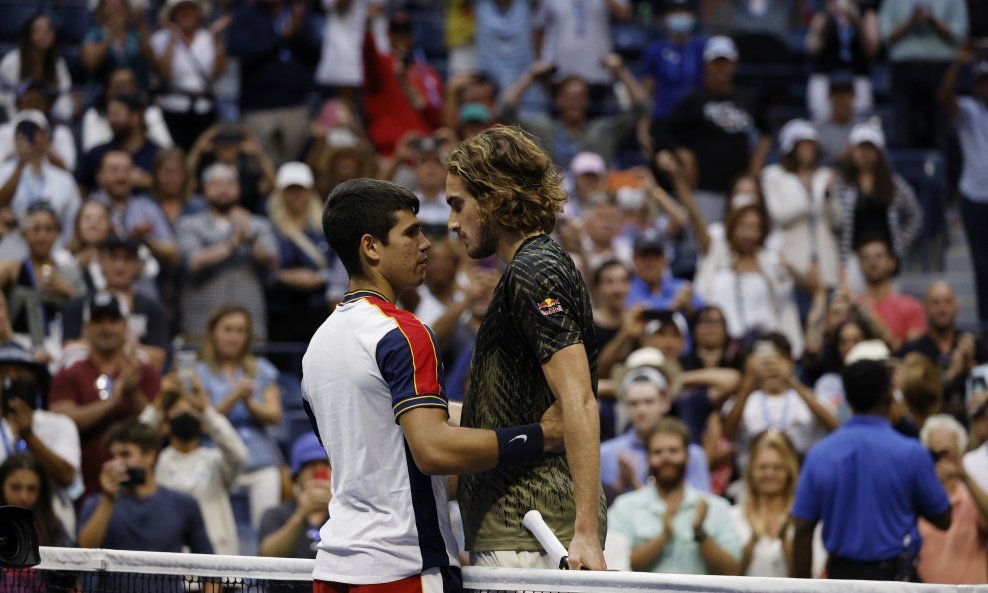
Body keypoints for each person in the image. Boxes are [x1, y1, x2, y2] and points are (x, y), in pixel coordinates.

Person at [305, 177, 566, 589]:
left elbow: (386, 434)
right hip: (404, 567)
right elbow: (431, 451)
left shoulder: (317, 346)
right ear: (371, 247)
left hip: (334, 569)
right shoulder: (404, 332)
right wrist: (543, 436)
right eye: (411, 233)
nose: (426, 244)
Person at [446, 126, 606, 570]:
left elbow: (578, 401)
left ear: (494, 197)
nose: (452, 223)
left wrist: (587, 534)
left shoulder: (533, 267)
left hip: (535, 532)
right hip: (523, 530)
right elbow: (521, 411)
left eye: (458, 205)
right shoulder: (531, 266)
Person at [791, 358, 952, 580]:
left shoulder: (820, 454)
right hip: (895, 580)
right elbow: (943, 519)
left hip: (842, 578)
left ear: (847, 398)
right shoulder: (911, 452)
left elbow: (802, 530)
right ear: (889, 395)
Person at [48, 292, 160, 497]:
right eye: (98, 321)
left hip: (139, 489)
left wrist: (133, 392)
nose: (106, 328)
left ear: (125, 325)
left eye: (113, 320)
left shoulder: (143, 370)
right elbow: (60, 420)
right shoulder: (70, 372)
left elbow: (158, 426)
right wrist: (112, 401)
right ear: (86, 327)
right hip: (84, 488)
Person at [651, 36, 770, 225]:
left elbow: (767, 132)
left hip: (739, 188)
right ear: (706, 65)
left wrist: (756, 165)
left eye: (725, 63)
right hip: (705, 188)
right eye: (716, 63)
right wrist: (682, 151)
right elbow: (660, 130)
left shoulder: (747, 98)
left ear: (734, 65)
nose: (721, 69)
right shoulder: (695, 99)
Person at [608, 418, 741, 575]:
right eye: (657, 452)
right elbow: (616, 567)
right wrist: (664, 536)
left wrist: (700, 533)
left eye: (673, 451)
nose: (666, 458)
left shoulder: (716, 507)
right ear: (648, 459)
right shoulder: (625, 507)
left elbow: (733, 571)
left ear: (688, 457)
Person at [138, 369, 247, 556]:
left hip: (215, 565)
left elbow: (238, 453)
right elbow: (135, 442)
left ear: (203, 422)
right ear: (166, 423)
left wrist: (206, 409)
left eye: (192, 411)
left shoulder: (215, 461)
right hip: (169, 563)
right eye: (178, 411)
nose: (186, 414)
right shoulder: (155, 462)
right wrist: (158, 404)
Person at [197, 305, 282, 531]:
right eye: (228, 330)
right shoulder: (199, 372)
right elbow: (203, 424)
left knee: (266, 528)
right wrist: (234, 396)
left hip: (260, 461)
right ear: (213, 332)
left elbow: (275, 415)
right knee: (214, 532)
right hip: (217, 459)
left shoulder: (262, 369)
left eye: (240, 331)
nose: (234, 337)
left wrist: (249, 403)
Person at [77, 419, 213, 554]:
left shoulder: (183, 504)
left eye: (125, 454)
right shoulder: (95, 504)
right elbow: (85, 551)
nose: (116, 463)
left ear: (150, 456)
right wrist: (108, 499)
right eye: (113, 456)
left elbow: (206, 563)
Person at [177, 163, 279, 341]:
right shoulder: (189, 224)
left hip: (250, 323)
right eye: (216, 184)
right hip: (202, 322)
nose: (223, 190)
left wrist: (249, 239)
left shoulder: (258, 224)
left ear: (238, 189)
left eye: (229, 184)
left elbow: (272, 262)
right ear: (205, 190)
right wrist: (234, 242)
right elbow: (193, 262)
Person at [499, 54, 648, 169]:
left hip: (594, 201)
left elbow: (643, 106)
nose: (574, 102)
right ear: (557, 100)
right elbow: (505, 111)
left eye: (580, 96)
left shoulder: (602, 131)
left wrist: (620, 71)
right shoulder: (542, 129)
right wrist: (532, 74)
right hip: (550, 201)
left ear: (587, 101)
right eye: (568, 97)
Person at [0, 338, 81, 538]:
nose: (10, 380)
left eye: (20, 374)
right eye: (3, 374)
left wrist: (29, 435)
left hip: (51, 532)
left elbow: (66, 478)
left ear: (35, 380)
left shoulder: (60, 423)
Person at [724, 333, 837, 471]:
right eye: (765, 361)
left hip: (802, 473)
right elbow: (728, 433)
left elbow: (834, 425)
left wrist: (791, 381)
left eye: (778, 358)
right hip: (754, 478)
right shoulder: (745, 400)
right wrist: (749, 382)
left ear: (791, 362)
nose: (771, 366)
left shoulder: (808, 397)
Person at [227, 0, 320, 165]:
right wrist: (281, 37)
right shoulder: (245, 15)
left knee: (295, 168)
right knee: (259, 169)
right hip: (258, 107)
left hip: (295, 104)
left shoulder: (298, 12)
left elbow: (314, 56)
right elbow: (242, 52)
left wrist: (298, 33)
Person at [601, 364, 712, 502]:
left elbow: (702, 505)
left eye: (649, 402)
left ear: (665, 402)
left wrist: (635, 484)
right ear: (624, 406)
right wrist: (621, 484)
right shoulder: (605, 454)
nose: (641, 410)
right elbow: (600, 511)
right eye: (633, 403)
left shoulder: (692, 454)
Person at [268, 162, 346, 343]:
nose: (296, 196)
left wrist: (320, 277)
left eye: (300, 190)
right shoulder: (271, 228)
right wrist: (281, 276)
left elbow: (340, 266)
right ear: (281, 194)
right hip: (280, 309)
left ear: (310, 192)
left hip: (317, 308)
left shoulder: (325, 228)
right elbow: (263, 268)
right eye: (290, 190)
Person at [760, 119, 841, 293]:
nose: (807, 150)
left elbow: (837, 221)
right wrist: (809, 194)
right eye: (802, 145)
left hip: (825, 262)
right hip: (790, 259)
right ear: (791, 148)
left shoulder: (825, 175)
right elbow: (778, 215)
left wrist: (828, 196)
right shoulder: (773, 175)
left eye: (811, 145)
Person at [833, 122, 921, 280]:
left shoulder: (893, 183)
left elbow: (915, 214)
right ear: (852, 151)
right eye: (860, 148)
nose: (865, 153)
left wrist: (900, 245)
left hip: (886, 258)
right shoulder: (841, 184)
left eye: (870, 148)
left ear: (879, 152)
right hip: (853, 258)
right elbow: (833, 219)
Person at [879, 0, 968, 148]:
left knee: (941, 134)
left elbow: (960, 35)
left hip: (940, 69)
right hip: (903, 69)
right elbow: (885, 36)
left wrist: (933, 21)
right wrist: (911, 21)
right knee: (902, 133)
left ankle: (942, 169)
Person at [941, 53, 988, 326]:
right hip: (973, 196)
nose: (986, 87)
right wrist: (957, 64)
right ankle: (984, 324)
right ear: (975, 85)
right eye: (982, 82)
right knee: (982, 264)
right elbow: (945, 97)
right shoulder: (968, 110)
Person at [0, 204, 84, 352]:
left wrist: (68, 291)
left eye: (48, 229)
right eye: (35, 229)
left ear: (58, 233)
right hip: (18, 343)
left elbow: (86, 311)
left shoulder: (68, 272)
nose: (42, 236)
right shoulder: (12, 269)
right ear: (25, 233)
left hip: (58, 343)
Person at [899, 281, 988, 419]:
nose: (942, 308)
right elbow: (913, 398)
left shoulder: (975, 345)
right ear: (925, 308)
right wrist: (952, 372)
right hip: (927, 422)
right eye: (935, 303)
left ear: (957, 306)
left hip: (972, 422)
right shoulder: (912, 350)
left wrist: (971, 365)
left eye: (947, 302)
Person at [917, 414, 988, 584]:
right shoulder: (915, 497)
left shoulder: (971, 496)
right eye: (934, 453)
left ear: (960, 453)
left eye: (948, 453)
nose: (941, 460)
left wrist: (965, 476)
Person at [149, 0, 228, 150]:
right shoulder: (161, 38)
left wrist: (217, 42)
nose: (186, 13)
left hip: (203, 109)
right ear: (173, 14)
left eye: (190, 9)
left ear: (198, 13)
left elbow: (219, 73)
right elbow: (163, 74)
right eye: (181, 9)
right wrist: (173, 39)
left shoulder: (209, 38)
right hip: (171, 109)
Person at [88, 149, 180, 271]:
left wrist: (145, 240)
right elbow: (68, 251)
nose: (121, 177)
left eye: (127, 170)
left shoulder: (148, 207)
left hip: (141, 286)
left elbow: (174, 256)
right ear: (99, 175)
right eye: (114, 170)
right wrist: (102, 238)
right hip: (98, 285)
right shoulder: (85, 208)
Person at [0, 111, 81, 245]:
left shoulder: (64, 179)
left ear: (46, 136)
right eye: (23, 132)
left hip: (55, 249)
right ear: (15, 137)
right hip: (11, 248)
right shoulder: (2, 172)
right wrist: (21, 164)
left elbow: (73, 220)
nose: (31, 138)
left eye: (35, 132)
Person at [731, 430, 800, 577]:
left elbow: (812, 578)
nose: (769, 474)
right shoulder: (733, 516)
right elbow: (727, 576)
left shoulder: (804, 519)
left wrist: (785, 542)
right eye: (762, 467)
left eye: (777, 468)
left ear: (789, 472)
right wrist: (754, 539)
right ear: (751, 472)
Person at [258, 432, 330, 559]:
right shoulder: (276, 514)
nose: (318, 472)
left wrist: (334, 509)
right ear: (296, 475)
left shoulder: (346, 513)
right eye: (310, 465)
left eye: (325, 464)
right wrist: (300, 515)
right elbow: (268, 556)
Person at [77, 95, 162, 195]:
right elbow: (81, 191)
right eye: (109, 114)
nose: (110, 120)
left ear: (135, 117)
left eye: (116, 114)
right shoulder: (96, 154)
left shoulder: (158, 154)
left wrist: (148, 182)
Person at [855, 236, 926, 349]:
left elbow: (914, 356)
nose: (872, 261)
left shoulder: (912, 306)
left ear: (892, 262)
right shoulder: (850, 307)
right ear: (859, 264)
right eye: (866, 257)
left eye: (878, 256)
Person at [0, 14, 73, 122]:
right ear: (29, 34)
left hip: (48, 121)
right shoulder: (12, 61)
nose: (44, 35)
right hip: (13, 119)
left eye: (48, 30)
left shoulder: (58, 64)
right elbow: (3, 96)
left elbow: (65, 97)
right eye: (38, 30)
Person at [641, 1, 706, 121]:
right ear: (666, 16)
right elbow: (647, 91)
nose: (680, 15)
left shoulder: (702, 48)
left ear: (692, 15)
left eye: (684, 11)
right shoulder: (655, 50)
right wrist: (644, 121)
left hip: (696, 117)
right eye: (675, 11)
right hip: (663, 115)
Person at [81, 0, 154, 96]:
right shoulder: (94, 35)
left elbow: (152, 61)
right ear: (102, 10)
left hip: (134, 97)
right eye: (112, 6)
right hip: (101, 97)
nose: (116, 11)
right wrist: (111, 35)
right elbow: (90, 63)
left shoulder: (134, 36)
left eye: (120, 6)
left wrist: (140, 25)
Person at [0, 453, 72, 547]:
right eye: (16, 487)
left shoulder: (52, 528)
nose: (24, 497)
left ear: (41, 491)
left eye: (31, 489)